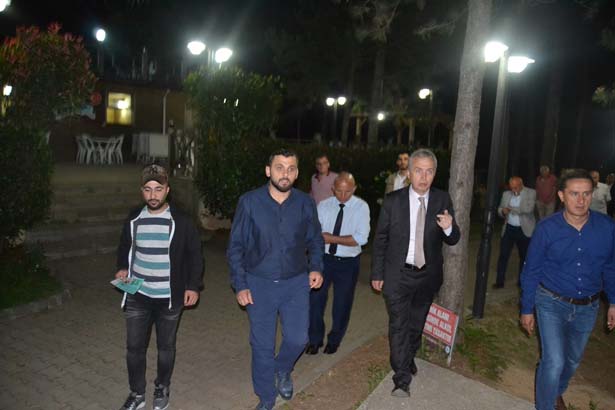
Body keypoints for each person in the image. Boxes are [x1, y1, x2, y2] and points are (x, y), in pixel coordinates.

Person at [227, 149, 324, 410]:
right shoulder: (250, 202)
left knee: (299, 339)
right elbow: (236, 247)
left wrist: (316, 267)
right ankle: (266, 398)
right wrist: (240, 284)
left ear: (297, 173)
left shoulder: (305, 203)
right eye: (279, 167)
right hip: (259, 283)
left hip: (296, 283)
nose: (285, 174)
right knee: (262, 345)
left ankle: (281, 369)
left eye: (291, 168)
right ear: (268, 170)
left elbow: (315, 239)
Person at [520, 169, 615, 410]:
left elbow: (610, 267)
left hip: (588, 307)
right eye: (574, 194)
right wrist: (527, 309)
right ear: (561, 195)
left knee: (571, 361)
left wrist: (613, 302)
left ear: (592, 194)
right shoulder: (547, 228)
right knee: (554, 361)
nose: (581, 200)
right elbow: (531, 270)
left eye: (586, 194)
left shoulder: (607, 227)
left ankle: (555, 391)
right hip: (551, 301)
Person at [371, 148, 460, 397]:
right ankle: (401, 378)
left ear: (435, 174)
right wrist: (377, 273)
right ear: (409, 173)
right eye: (418, 171)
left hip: (427, 276)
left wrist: (449, 227)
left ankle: (407, 356)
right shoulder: (393, 201)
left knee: (416, 324)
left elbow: (453, 238)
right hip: (397, 275)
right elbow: (381, 239)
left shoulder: (442, 199)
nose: (424, 177)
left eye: (429, 171)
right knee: (399, 325)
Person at [115, 164, 203, 410]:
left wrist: (193, 286)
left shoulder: (181, 221)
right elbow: (124, 246)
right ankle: (137, 394)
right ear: (141, 190)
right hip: (138, 294)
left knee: (165, 348)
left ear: (167, 190)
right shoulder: (134, 217)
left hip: (169, 297)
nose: (153, 195)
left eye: (158, 189)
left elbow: (195, 255)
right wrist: (122, 267)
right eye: (147, 189)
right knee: (134, 348)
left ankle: (162, 387)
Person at [306, 172, 370, 355]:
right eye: (339, 191)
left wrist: (330, 238)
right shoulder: (324, 205)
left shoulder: (361, 207)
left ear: (354, 189)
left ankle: (334, 340)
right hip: (324, 260)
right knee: (315, 300)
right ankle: (314, 339)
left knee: (342, 304)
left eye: (347, 191)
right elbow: (316, 233)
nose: (343, 195)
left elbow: (361, 239)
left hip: (348, 263)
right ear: (333, 189)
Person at [493, 176, 536, 289]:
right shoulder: (506, 194)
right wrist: (503, 211)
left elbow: (528, 209)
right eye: (511, 187)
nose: (513, 190)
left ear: (521, 185)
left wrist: (511, 209)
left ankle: (522, 281)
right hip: (509, 229)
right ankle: (499, 281)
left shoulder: (531, 192)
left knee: (524, 257)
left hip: (524, 229)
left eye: (515, 187)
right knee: (503, 255)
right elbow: (500, 209)